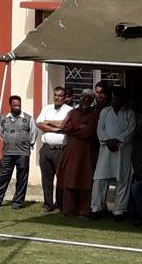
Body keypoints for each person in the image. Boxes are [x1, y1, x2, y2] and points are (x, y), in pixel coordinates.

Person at [91, 87, 136, 220]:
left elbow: (131, 131)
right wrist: (108, 141)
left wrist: (117, 141)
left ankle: (119, 211)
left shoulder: (130, 113)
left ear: (123, 100)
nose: (114, 101)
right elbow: (100, 129)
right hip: (106, 151)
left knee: (122, 180)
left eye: (117, 99)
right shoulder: (105, 111)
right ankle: (96, 208)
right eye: (113, 98)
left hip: (122, 151)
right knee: (100, 180)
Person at [0, 95, 37, 210]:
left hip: (23, 154)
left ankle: (18, 202)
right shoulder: (3, 118)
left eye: (19, 105)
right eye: (15, 105)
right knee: (2, 177)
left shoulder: (28, 118)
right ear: (10, 105)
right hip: (8, 153)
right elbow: (1, 134)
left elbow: (33, 134)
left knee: (21, 178)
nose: (17, 107)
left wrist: (27, 144)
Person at [58, 89, 100, 217]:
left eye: (87, 97)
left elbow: (88, 132)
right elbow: (64, 127)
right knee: (69, 179)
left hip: (86, 152)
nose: (84, 99)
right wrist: (78, 127)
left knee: (85, 180)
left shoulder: (94, 114)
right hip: (71, 150)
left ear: (92, 99)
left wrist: (73, 128)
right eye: (82, 96)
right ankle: (69, 209)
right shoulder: (72, 112)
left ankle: (84, 209)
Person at [35, 86, 72, 212]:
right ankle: (47, 204)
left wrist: (49, 122)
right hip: (46, 149)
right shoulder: (47, 108)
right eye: (55, 95)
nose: (57, 97)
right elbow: (39, 123)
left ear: (65, 97)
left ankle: (60, 203)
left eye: (60, 95)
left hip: (60, 150)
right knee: (46, 178)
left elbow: (66, 125)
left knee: (61, 178)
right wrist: (56, 128)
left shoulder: (69, 110)